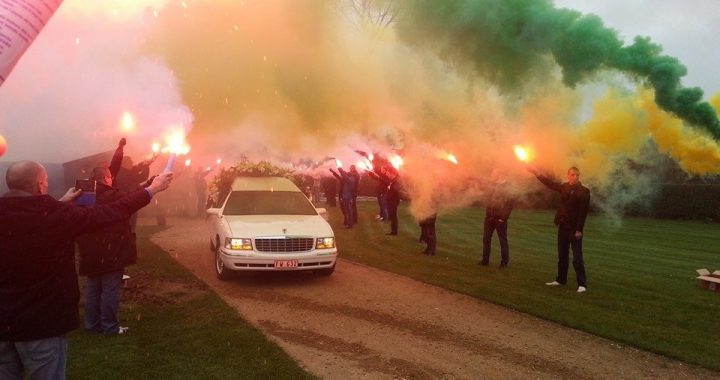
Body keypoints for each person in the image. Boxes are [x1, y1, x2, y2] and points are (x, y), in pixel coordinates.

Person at [0, 160, 172, 379]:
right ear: (40, 185)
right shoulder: (56, 216)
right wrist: (151, 190)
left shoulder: (49, 213)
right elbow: (112, 211)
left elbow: (32, 218)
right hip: (41, 324)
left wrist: (62, 202)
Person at [76, 138, 143, 335]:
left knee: (93, 286)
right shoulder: (112, 197)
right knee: (110, 288)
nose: (112, 178)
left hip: (90, 251)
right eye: (109, 177)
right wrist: (149, 186)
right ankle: (110, 326)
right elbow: (133, 198)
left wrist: (119, 150)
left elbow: (112, 170)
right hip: (111, 251)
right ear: (106, 179)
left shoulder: (83, 196)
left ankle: (91, 324)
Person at [529, 166, 591, 293]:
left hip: (574, 229)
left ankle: (582, 284)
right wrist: (537, 173)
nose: (574, 177)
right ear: (568, 175)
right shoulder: (564, 187)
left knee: (577, 257)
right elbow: (550, 184)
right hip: (563, 226)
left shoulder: (584, 191)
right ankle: (561, 279)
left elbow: (583, 212)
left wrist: (579, 230)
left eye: (576, 175)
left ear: (579, 176)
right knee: (562, 256)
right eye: (572, 174)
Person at [480, 170, 514, 268]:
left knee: (502, 241)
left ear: (500, 174)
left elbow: (509, 204)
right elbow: (489, 200)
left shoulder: (507, 187)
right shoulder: (493, 185)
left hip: (500, 219)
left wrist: (503, 218)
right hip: (489, 217)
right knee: (486, 239)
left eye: (494, 173)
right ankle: (485, 261)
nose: (492, 174)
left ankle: (504, 262)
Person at [385, 169, 401, 236]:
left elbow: (395, 191)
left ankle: (394, 231)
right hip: (391, 201)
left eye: (391, 174)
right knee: (392, 216)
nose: (390, 175)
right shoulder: (392, 181)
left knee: (394, 216)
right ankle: (393, 231)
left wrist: (388, 197)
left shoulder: (396, 181)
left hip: (393, 201)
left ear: (394, 174)